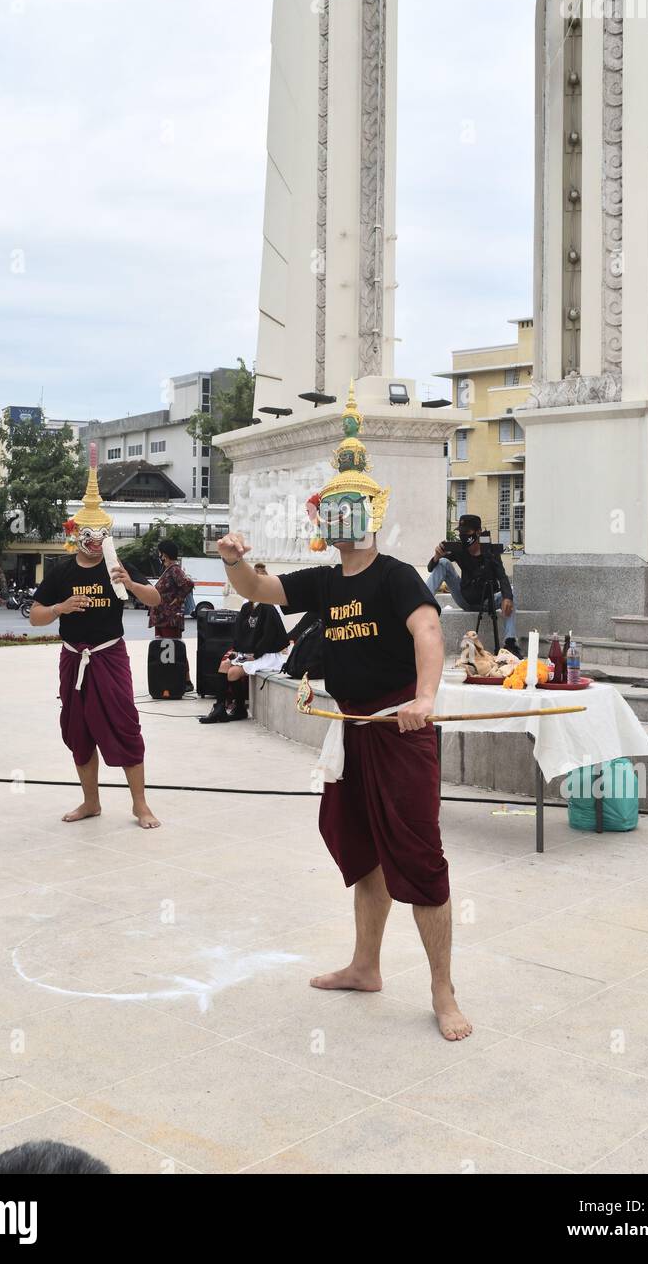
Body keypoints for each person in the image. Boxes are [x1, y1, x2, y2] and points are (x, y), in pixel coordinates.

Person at [216, 382, 471, 1041]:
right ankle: (365, 965)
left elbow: (428, 634)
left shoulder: (397, 575)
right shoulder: (326, 581)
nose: (339, 518)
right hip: (352, 730)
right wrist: (236, 563)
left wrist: (422, 699)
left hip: (400, 729)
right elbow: (261, 590)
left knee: (418, 857)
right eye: (332, 508)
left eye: (350, 506)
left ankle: (443, 991)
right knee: (360, 852)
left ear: (372, 513)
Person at [29, 448, 162, 829]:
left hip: (109, 655)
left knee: (124, 724)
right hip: (74, 658)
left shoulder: (116, 565)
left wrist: (131, 583)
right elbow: (36, 616)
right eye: (88, 534)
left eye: (100, 534)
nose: (94, 540)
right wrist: (60, 608)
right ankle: (91, 802)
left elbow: (155, 599)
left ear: (106, 534)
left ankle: (140, 805)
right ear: (76, 533)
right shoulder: (61, 571)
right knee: (77, 729)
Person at [199, 563, 290, 723]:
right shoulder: (247, 607)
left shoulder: (268, 607)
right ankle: (219, 707)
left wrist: (254, 655)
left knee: (233, 673)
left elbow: (269, 637)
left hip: (265, 654)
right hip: (248, 653)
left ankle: (240, 708)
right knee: (224, 666)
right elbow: (239, 633)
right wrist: (238, 652)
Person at [426, 513, 520, 654]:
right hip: (465, 598)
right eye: (461, 532)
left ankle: (510, 643)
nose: (463, 536)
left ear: (478, 532)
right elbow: (431, 568)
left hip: (488, 601)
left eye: (467, 532)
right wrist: (436, 557)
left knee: (511, 595)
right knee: (444, 562)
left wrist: (507, 597)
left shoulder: (490, 552)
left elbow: (502, 576)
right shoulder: (459, 549)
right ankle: (422, 602)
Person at [148, 538, 196, 696]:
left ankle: (186, 681)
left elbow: (187, 584)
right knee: (165, 652)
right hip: (162, 618)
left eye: (160, 553)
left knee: (175, 650)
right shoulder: (168, 570)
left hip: (170, 618)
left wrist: (178, 599)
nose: (159, 556)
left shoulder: (175, 569)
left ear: (165, 554)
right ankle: (168, 679)